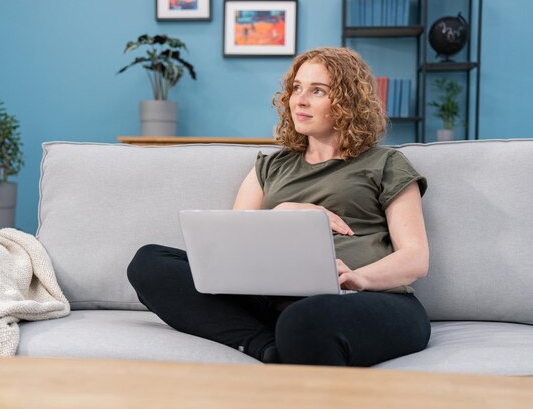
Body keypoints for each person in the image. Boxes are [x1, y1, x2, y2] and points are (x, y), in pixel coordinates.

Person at [127, 46, 431, 366]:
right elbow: (230, 247)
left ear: (348, 101)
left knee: (303, 320)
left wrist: (356, 277)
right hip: (274, 302)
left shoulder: (386, 163)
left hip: (368, 300)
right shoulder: (270, 166)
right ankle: (265, 346)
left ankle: (285, 338)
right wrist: (284, 211)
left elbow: (415, 258)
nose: (299, 99)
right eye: (296, 88)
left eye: (317, 91)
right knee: (148, 263)